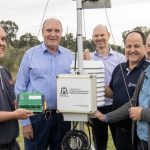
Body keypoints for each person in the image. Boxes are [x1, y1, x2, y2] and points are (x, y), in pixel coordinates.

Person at [15, 18, 73, 150]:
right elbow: (19, 88)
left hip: (62, 117)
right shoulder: (30, 54)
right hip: (36, 116)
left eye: (57, 30)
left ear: (61, 33)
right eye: (49, 30)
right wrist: (25, 123)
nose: (53, 34)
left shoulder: (69, 55)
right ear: (42, 32)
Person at [95, 31, 150, 150]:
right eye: (128, 46)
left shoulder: (147, 69)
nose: (132, 50)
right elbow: (112, 93)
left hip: (138, 133)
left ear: (144, 47)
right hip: (119, 130)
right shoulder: (119, 68)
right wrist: (93, 84)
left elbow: (134, 103)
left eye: (136, 46)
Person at [84, 24, 126, 150]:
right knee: (99, 143)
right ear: (92, 38)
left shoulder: (121, 58)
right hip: (97, 107)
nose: (99, 38)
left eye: (102, 35)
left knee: (120, 141)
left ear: (108, 35)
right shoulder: (88, 58)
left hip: (116, 105)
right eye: (96, 35)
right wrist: (85, 62)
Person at [0, 26, 33, 150]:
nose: (2, 43)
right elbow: (14, 112)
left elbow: (15, 102)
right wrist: (14, 114)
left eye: (3, 39)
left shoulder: (5, 72)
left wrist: (45, 103)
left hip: (12, 144)